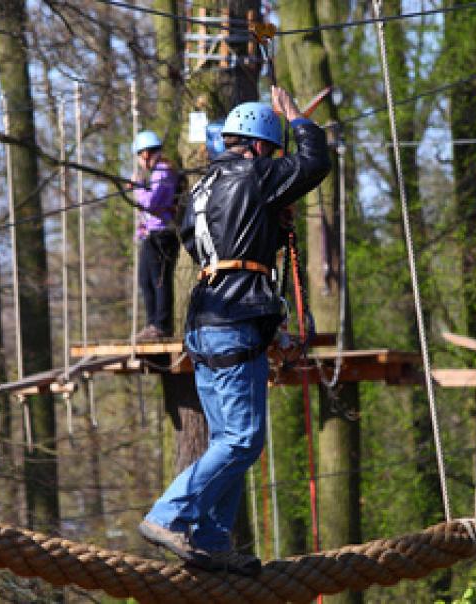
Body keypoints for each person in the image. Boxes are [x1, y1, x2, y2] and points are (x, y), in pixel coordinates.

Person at [138, 87, 330, 575]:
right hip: (233, 322)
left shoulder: (202, 186)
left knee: (231, 439)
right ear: (262, 146)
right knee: (242, 440)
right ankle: (170, 513)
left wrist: (263, 221)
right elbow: (313, 165)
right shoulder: (254, 172)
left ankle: (211, 539)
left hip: (205, 319)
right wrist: (297, 120)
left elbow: (192, 239)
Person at [131, 130, 180, 339]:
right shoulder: (158, 172)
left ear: (146, 154)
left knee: (159, 280)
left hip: (162, 235)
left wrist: (138, 187)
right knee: (146, 279)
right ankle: (152, 323)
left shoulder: (163, 172)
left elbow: (150, 203)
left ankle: (161, 325)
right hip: (152, 234)